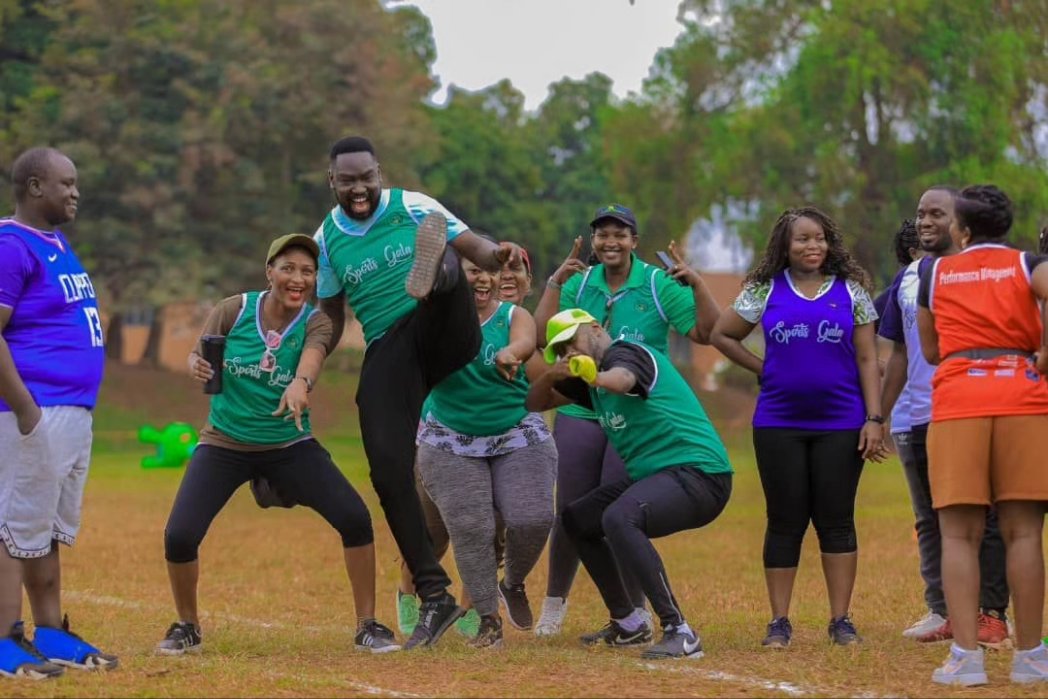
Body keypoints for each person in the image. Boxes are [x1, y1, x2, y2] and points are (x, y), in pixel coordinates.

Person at [311, 136, 521, 650]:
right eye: (347, 181)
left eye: (366, 178)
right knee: (386, 468)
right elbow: (331, 315)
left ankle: (430, 276)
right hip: (390, 348)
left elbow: (479, 251)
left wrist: (499, 254)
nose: (359, 188)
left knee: (446, 260)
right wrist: (308, 358)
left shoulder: (413, 205)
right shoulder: (327, 240)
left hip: (447, 330)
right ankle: (433, 594)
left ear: (378, 173)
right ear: (332, 181)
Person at [157, 234, 399, 655]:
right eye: (288, 268)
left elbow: (313, 356)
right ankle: (187, 626)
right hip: (225, 443)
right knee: (179, 535)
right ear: (269, 271)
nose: (297, 279)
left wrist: (300, 383)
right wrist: (195, 364)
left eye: (307, 271)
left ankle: (367, 626)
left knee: (355, 518)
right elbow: (199, 354)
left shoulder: (316, 322)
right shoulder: (233, 310)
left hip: (288, 443)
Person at [531, 203, 721, 638]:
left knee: (622, 512)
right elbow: (543, 340)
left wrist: (698, 285)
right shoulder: (581, 283)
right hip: (586, 405)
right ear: (593, 241)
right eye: (602, 234)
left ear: (635, 241)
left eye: (620, 233)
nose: (610, 241)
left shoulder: (656, 284)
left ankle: (641, 611)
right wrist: (555, 284)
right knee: (572, 511)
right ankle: (560, 605)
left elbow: (705, 333)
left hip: (631, 407)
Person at [711, 206, 884, 648]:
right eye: (803, 239)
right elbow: (721, 334)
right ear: (784, 246)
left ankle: (841, 620)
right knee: (784, 521)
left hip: (842, 422)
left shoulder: (851, 291)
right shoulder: (765, 289)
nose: (813, 246)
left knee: (837, 520)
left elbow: (868, 359)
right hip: (778, 422)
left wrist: (874, 418)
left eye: (820, 237)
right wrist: (761, 367)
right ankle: (779, 622)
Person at [526, 309, 732, 659]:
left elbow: (622, 380)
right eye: (560, 350)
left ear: (595, 329)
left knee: (620, 517)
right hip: (658, 476)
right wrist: (551, 375)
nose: (568, 353)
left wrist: (595, 377)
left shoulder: (627, 352)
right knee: (577, 519)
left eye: (570, 342)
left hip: (700, 473)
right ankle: (629, 622)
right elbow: (535, 402)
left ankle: (679, 630)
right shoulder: (591, 382)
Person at [916, 185, 1048, 686]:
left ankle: (966, 659)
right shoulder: (1027, 264)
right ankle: (1031, 657)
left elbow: (931, 350)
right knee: (1023, 533)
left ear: (962, 229)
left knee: (958, 535)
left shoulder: (933, 272)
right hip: (1023, 399)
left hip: (958, 403)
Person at [0, 147, 115, 679]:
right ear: (34, 187)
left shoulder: (55, 243)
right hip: (33, 411)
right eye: (65, 183)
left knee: (44, 528)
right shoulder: (11, 244)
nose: (75, 192)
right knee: (11, 527)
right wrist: (26, 410)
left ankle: (49, 632)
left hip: (71, 412)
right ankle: (5, 640)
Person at [879, 190, 1010, 647]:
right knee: (930, 520)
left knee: (986, 516)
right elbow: (899, 353)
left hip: (973, 410)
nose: (924, 222)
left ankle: (992, 614)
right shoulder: (908, 278)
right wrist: (878, 415)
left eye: (937, 213)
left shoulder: (988, 270)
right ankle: (944, 610)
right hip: (915, 417)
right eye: (920, 214)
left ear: (962, 223)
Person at [414, 253, 557, 647]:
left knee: (533, 518)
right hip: (450, 438)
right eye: (474, 270)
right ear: (454, 275)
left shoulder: (513, 316)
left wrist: (513, 353)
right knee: (471, 529)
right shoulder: (434, 317)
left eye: (491, 272)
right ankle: (488, 620)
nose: (484, 279)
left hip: (515, 431)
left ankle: (512, 583)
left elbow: (525, 339)